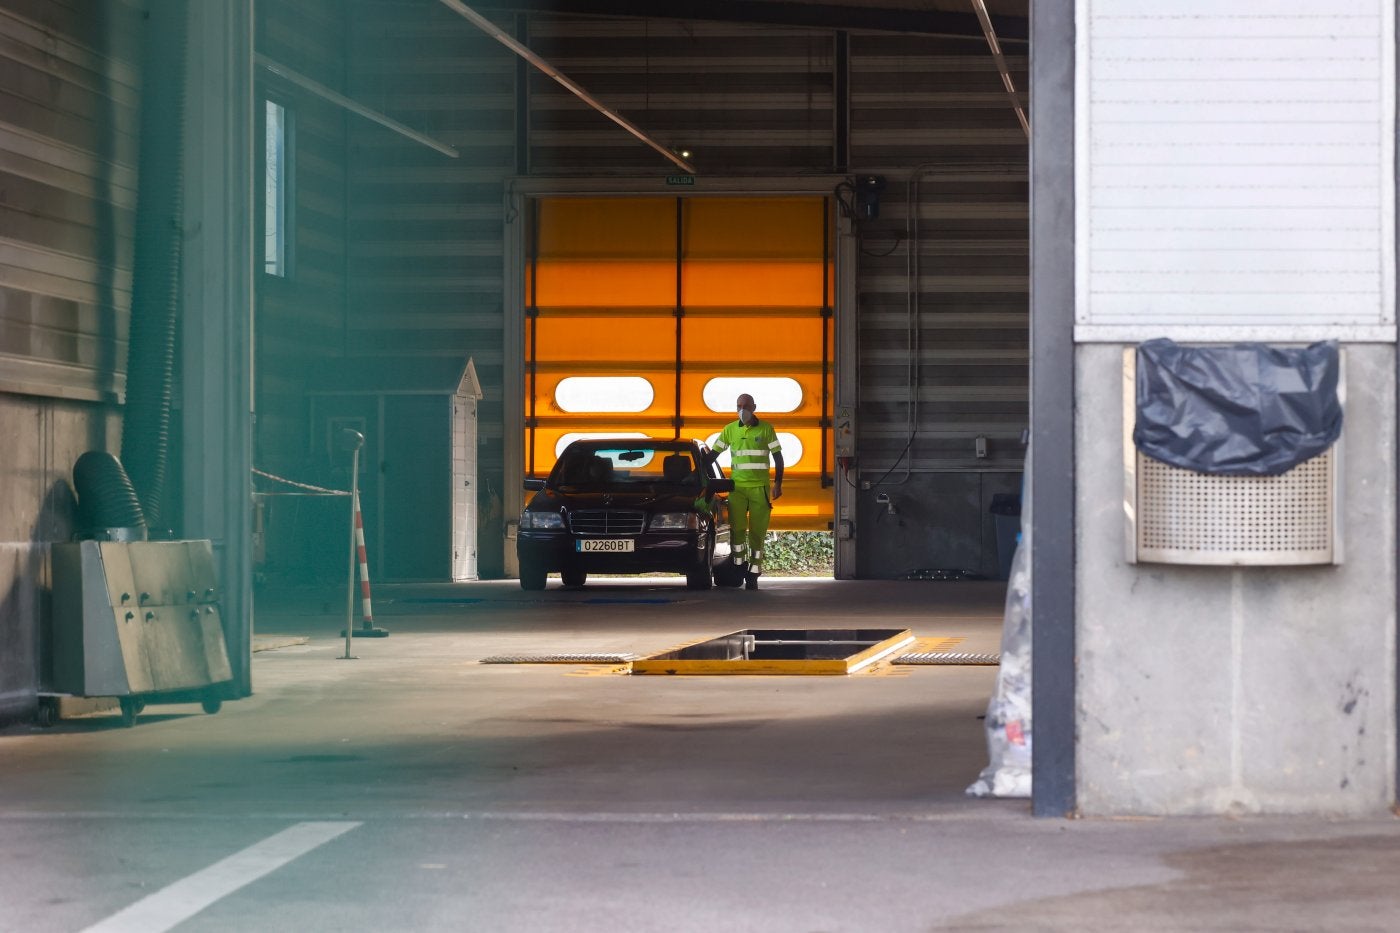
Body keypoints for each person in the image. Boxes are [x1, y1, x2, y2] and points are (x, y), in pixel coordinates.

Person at [708, 393, 783, 590]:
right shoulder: (730, 430)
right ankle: (739, 567)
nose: (742, 410)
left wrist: (778, 484)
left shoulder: (766, 429)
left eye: (746, 406)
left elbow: (778, 458)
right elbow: (713, 455)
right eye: (739, 406)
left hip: (760, 489)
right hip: (737, 489)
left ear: (754, 407)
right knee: (737, 531)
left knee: (757, 533)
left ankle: (754, 573)